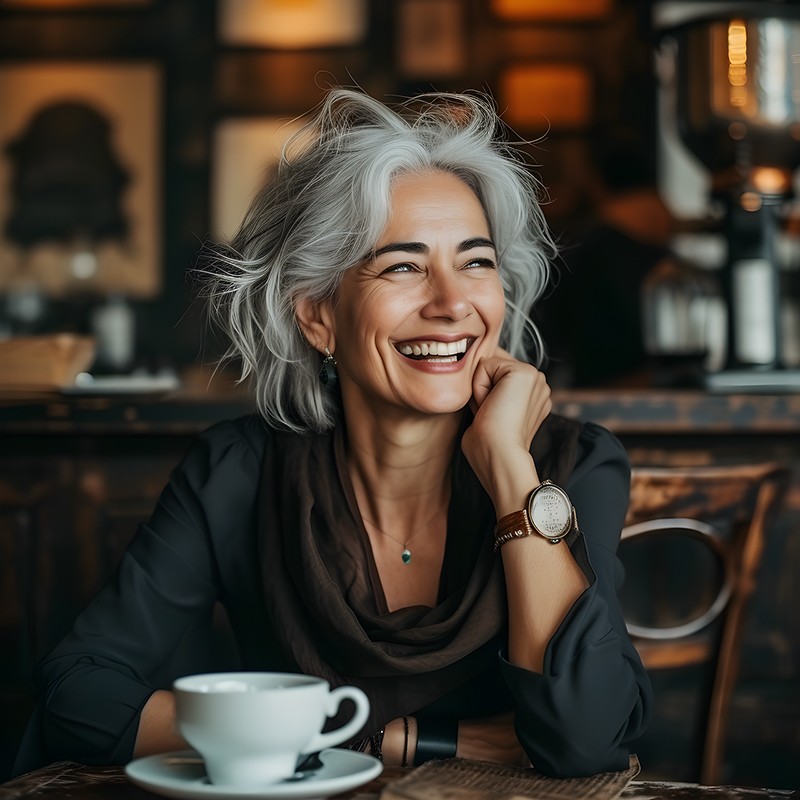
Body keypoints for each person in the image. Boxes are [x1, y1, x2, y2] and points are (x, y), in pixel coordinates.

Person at [13, 89, 651, 779]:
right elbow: (78, 699)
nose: (451, 304)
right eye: (403, 265)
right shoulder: (237, 473)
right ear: (318, 316)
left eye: (476, 262)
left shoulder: (574, 464)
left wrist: (507, 466)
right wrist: (395, 740)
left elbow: (587, 740)